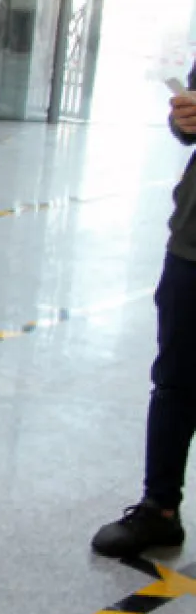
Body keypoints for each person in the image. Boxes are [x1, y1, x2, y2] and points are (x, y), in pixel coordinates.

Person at [91, 59, 196, 558]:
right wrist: (184, 120)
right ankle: (159, 509)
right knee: (175, 379)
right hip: (193, 244)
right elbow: (187, 125)